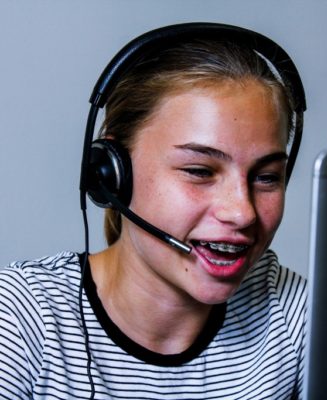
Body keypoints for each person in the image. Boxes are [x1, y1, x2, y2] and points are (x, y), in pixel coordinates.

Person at [0, 24, 307, 399]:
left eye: (266, 177)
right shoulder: (19, 319)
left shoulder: (296, 316)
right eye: (199, 171)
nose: (242, 213)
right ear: (113, 174)